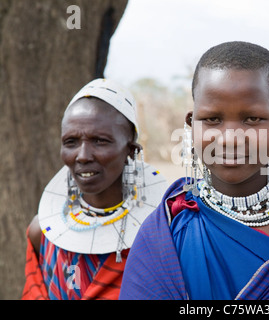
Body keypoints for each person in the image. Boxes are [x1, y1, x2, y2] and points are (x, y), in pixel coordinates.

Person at [119, 41, 269, 300]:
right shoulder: (166, 234)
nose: (231, 138)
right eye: (212, 119)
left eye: (252, 119)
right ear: (191, 125)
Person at [22, 78, 167, 300]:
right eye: (71, 142)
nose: (82, 156)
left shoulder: (160, 237)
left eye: (100, 141)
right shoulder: (41, 234)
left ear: (131, 150)